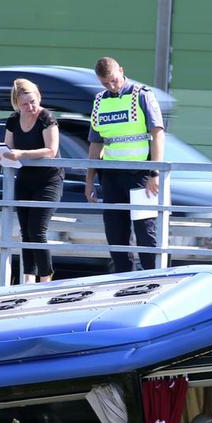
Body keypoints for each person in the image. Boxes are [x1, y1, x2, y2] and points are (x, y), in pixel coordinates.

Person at [85, 57, 165, 272]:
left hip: (140, 174)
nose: (111, 86)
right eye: (105, 83)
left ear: (121, 70)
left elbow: (157, 134)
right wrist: (89, 180)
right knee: (116, 236)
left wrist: (155, 173)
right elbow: (95, 143)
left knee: (145, 234)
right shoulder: (100, 101)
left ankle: (152, 280)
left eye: (113, 80)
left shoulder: (142, 95)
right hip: (111, 176)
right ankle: (123, 281)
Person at [0, 78, 63, 283]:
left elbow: (51, 150)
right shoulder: (13, 120)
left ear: (38, 97)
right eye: (24, 104)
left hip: (49, 179)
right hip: (25, 179)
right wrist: (0, 155)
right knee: (25, 231)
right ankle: (28, 278)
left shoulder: (46, 118)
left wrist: (20, 153)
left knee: (37, 229)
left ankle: (45, 279)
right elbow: (8, 148)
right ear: (16, 104)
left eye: (33, 101)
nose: (30, 107)